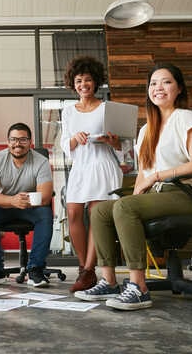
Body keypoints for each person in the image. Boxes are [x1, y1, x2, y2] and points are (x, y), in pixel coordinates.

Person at [77, 63, 192, 310]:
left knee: (125, 208)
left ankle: (138, 287)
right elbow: (144, 174)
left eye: (166, 82)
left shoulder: (185, 117)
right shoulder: (146, 130)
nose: (158, 87)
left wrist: (157, 177)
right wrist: (138, 191)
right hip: (159, 194)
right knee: (100, 210)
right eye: (153, 83)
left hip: (188, 194)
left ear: (179, 88)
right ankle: (108, 281)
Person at [59, 56, 123, 293]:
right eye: (78, 80)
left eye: (87, 80)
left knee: (96, 216)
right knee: (73, 213)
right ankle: (86, 269)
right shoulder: (67, 112)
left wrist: (113, 141)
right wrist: (75, 139)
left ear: (95, 82)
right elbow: (65, 143)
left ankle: (87, 271)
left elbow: (122, 146)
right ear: (73, 83)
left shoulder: (107, 108)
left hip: (103, 165)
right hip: (80, 167)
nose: (83, 84)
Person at [0, 123, 54, 288]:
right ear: (8, 141)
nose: (17, 144)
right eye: (13, 139)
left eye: (22, 139)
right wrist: (12, 201)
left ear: (30, 142)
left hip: (30, 207)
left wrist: (23, 201)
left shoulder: (41, 162)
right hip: (5, 206)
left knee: (45, 213)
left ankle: (35, 269)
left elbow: (45, 197)